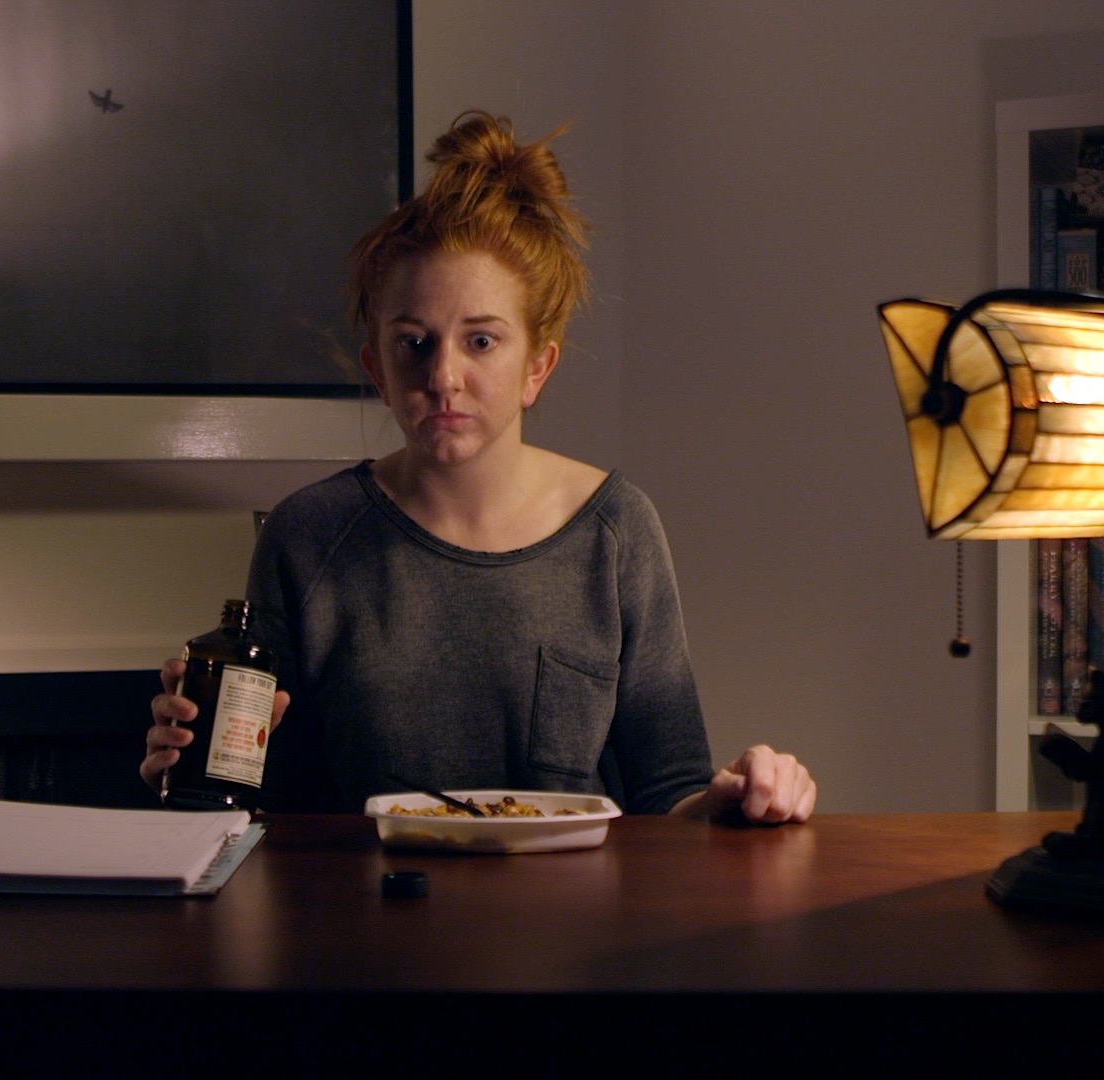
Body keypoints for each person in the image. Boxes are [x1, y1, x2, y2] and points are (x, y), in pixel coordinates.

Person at [143, 111, 815, 823]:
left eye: (482, 341)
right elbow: (259, 812)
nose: (444, 376)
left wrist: (744, 796)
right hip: (364, 926)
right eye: (414, 343)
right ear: (376, 364)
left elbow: (667, 796)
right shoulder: (308, 534)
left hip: (577, 929)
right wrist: (184, 768)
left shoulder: (617, 532)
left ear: (537, 366)